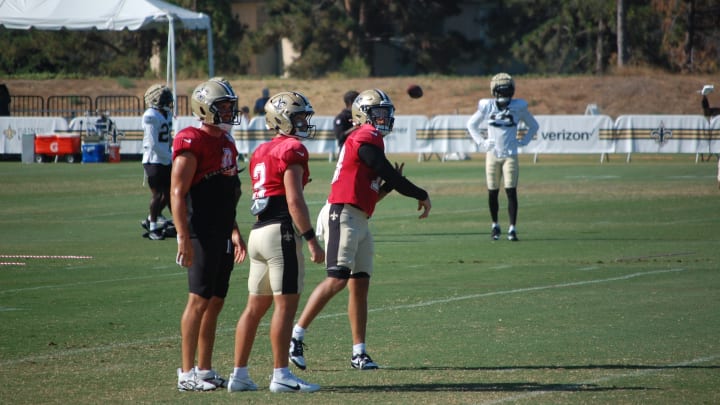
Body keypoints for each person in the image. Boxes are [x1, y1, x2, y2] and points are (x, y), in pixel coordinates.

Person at [290, 88, 432, 371]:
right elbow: (385, 170)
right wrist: (419, 192)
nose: (383, 118)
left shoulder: (369, 142)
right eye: (377, 113)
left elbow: (373, 192)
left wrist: (392, 185)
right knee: (337, 279)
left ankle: (359, 352)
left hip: (358, 218)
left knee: (360, 285)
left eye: (385, 113)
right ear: (362, 115)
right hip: (342, 214)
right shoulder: (365, 138)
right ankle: (295, 336)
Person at [228, 91, 324, 393]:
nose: (303, 123)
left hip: (257, 231)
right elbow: (294, 200)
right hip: (280, 233)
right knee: (284, 308)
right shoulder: (293, 148)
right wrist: (311, 239)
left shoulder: (261, 150)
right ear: (281, 119)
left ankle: (239, 375)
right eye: (297, 117)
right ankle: (281, 375)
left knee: (253, 309)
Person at [171, 79, 247, 391]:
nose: (229, 111)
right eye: (223, 106)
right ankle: (186, 372)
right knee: (198, 300)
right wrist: (182, 236)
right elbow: (177, 192)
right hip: (199, 232)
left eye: (230, 105)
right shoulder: (191, 140)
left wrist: (235, 231)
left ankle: (204, 369)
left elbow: (228, 194)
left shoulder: (227, 143)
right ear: (206, 109)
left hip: (221, 232)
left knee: (215, 301)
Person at [466, 73, 539, 242]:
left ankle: (512, 228)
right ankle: (495, 225)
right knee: (493, 192)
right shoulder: (487, 106)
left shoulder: (518, 107)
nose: (504, 96)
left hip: (510, 155)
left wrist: (524, 141)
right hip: (492, 154)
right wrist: (481, 142)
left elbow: (533, 126)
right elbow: (471, 124)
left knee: (511, 191)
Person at [141, 84, 174, 240]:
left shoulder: (166, 115)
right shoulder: (150, 115)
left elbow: (167, 138)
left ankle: (154, 219)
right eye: (166, 100)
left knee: (169, 193)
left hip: (165, 158)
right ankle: (153, 227)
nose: (168, 103)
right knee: (158, 194)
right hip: (153, 160)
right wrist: (168, 155)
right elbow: (153, 143)